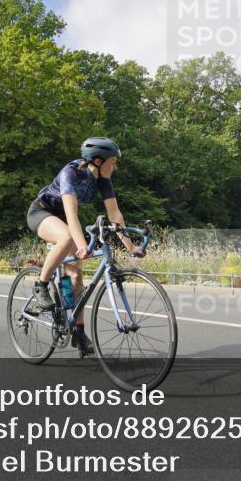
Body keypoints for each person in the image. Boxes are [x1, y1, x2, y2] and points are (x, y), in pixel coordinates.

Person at [26, 137, 144, 355]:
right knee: (67, 238)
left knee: (76, 276)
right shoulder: (71, 173)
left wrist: (130, 246)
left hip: (64, 219)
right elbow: (71, 214)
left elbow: (115, 215)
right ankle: (40, 285)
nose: (115, 166)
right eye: (113, 162)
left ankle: (78, 332)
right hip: (42, 213)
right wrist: (81, 245)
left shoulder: (103, 180)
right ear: (98, 161)